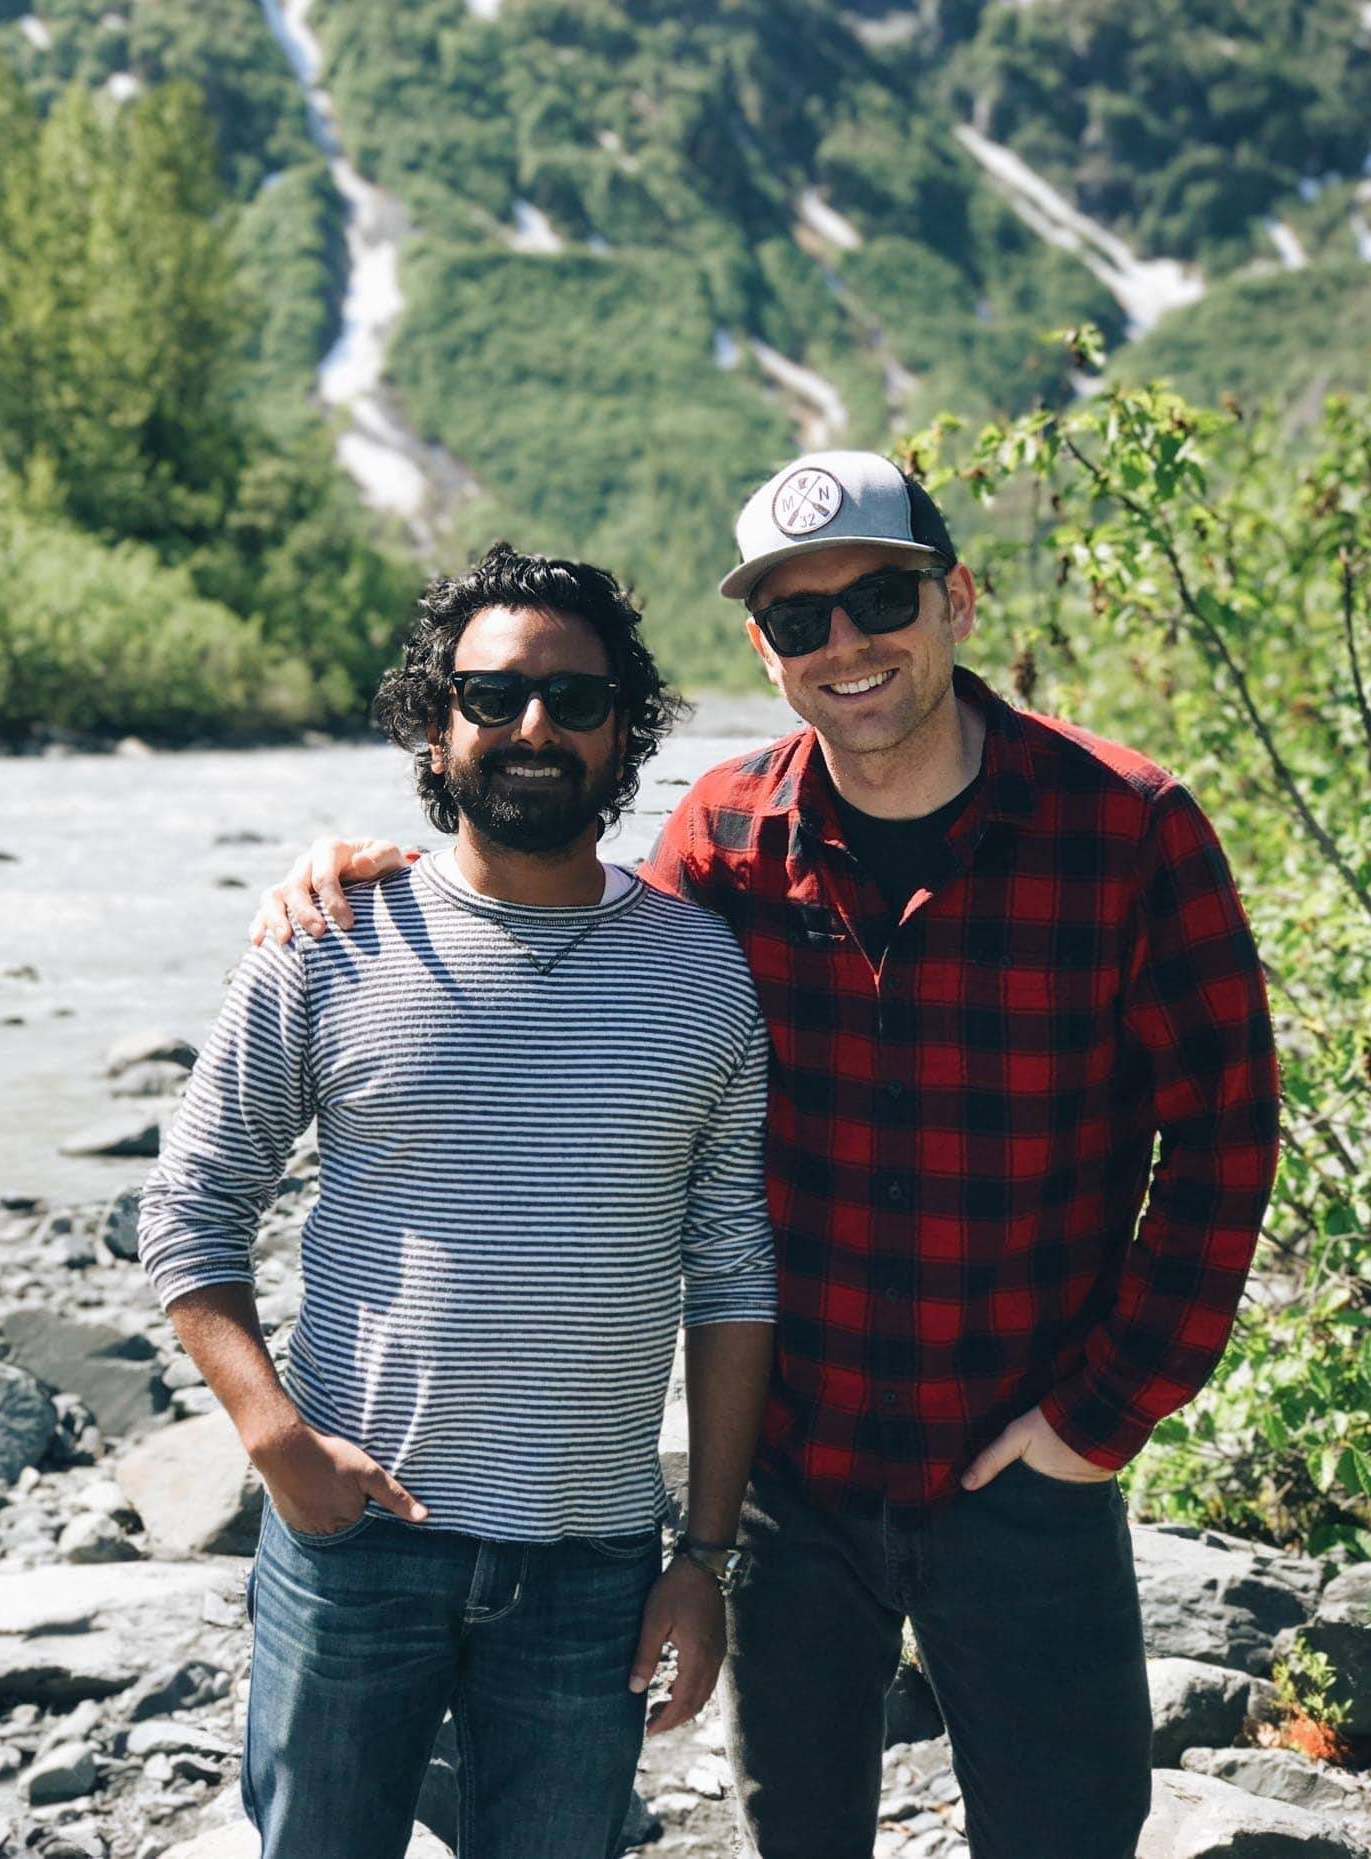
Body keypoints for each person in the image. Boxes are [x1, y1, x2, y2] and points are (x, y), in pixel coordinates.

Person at [252, 453, 1281, 1859]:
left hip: (1027, 1466)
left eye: (881, 600)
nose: (846, 643)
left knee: (1069, 1836)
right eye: (801, 619)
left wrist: (1101, 1418)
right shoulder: (726, 834)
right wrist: (380, 880)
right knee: (796, 1838)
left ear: (956, 602)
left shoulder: (1127, 825)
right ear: (765, 650)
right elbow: (574, 948)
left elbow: (1226, 1139)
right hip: (800, 1483)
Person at [139, 541, 777, 1859]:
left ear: (623, 732)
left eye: (574, 700)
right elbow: (192, 1200)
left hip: (593, 1568)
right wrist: (273, 1438)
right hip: (354, 1542)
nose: (533, 727)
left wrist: (704, 1558)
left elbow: (730, 1273)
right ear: (437, 730)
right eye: (492, 697)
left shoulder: (704, 976)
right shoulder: (328, 939)